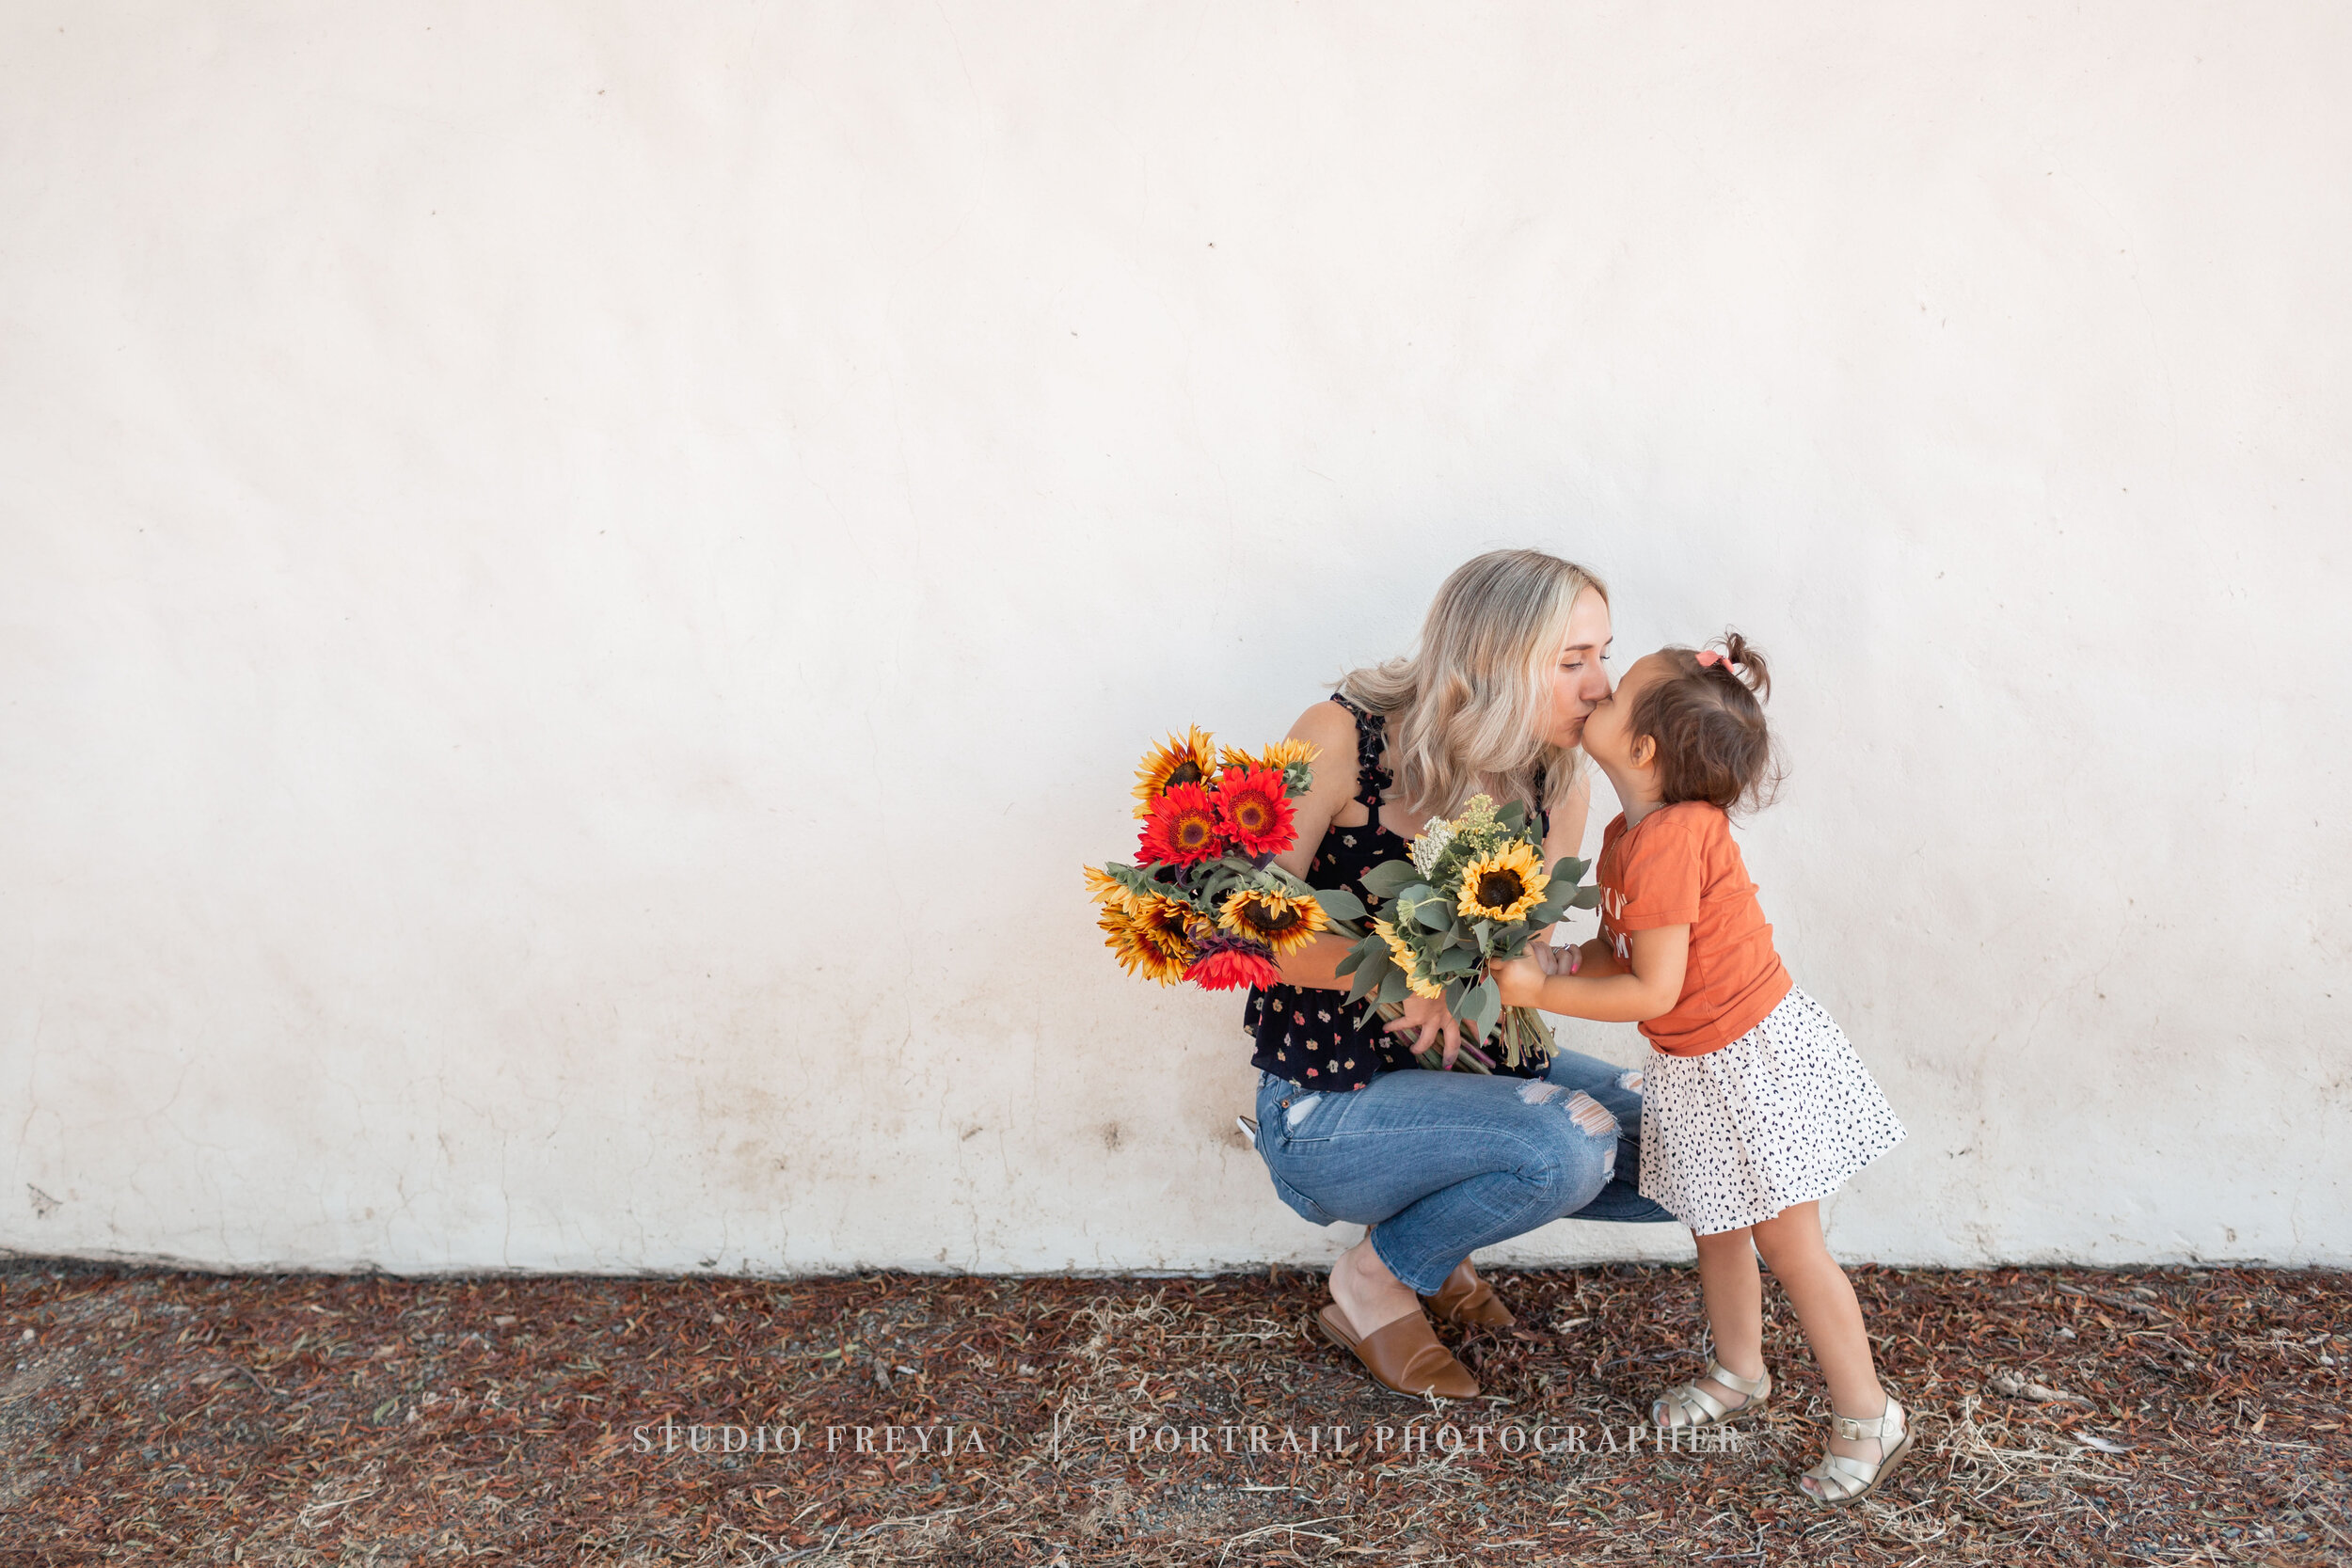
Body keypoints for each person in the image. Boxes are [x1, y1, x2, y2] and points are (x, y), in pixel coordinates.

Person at [1244, 548, 1677, 1404]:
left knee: (1702, 1139)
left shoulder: (1558, 779)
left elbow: (1523, 956)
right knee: (1571, 1145)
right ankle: (1373, 1282)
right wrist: (1406, 980)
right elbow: (1238, 928)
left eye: (1603, 654)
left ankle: (1434, 1243)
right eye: (1572, 661)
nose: (1601, 684)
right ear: (1493, 659)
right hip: (1330, 1098)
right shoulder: (1339, 737)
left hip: (1477, 1076)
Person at [1494, 632, 1914, 1504]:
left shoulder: (1677, 838)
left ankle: (1869, 1412)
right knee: (1716, 1223)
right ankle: (1740, 1370)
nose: (1594, 690)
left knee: (1791, 1244)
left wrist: (1537, 988)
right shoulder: (1629, 834)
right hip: (1696, 1060)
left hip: (1753, 1056)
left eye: (1611, 694)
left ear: (1641, 748)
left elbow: (1653, 987)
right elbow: (1627, 954)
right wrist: (1566, 965)